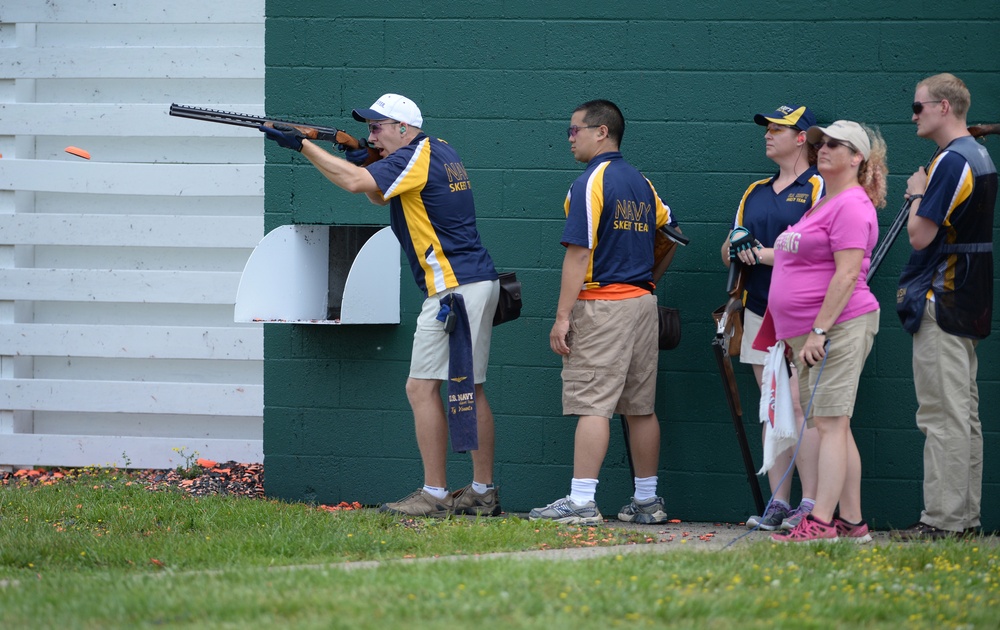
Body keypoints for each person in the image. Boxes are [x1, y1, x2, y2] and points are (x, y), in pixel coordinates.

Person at [260, 93, 502, 518]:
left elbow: (356, 184)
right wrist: (360, 155)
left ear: (404, 130)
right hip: (473, 282)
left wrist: (303, 146)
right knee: (471, 387)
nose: (371, 134)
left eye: (378, 128)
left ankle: (435, 494)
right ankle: (481, 492)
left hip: (452, 289)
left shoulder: (416, 155)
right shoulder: (438, 149)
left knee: (421, 387)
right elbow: (377, 195)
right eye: (369, 128)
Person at [529, 99, 679, 525]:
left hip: (603, 305)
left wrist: (562, 317)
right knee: (640, 407)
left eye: (575, 129)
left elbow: (578, 255)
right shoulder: (642, 183)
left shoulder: (590, 181)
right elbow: (672, 232)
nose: (570, 137)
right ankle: (648, 502)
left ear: (601, 132)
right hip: (642, 304)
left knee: (593, 405)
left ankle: (581, 502)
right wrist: (645, 280)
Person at [768, 120, 887, 543]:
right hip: (807, 334)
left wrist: (819, 330)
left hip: (836, 327)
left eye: (836, 144)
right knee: (835, 423)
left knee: (831, 424)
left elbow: (847, 273)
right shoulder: (822, 203)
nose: (824, 148)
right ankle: (852, 524)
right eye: (820, 142)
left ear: (857, 158)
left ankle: (821, 523)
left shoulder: (853, 205)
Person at [892, 74, 997, 540]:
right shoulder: (975, 155)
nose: (913, 115)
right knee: (962, 416)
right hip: (966, 299)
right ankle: (962, 519)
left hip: (946, 297)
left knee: (942, 417)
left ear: (945, 107)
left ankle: (944, 522)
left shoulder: (953, 162)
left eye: (918, 107)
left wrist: (916, 191)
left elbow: (920, 235)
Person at [719, 104, 823, 532]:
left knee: (801, 408)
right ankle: (779, 503)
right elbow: (728, 254)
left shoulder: (818, 185)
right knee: (773, 406)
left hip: (802, 312)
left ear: (802, 137)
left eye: (779, 128)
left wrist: (761, 254)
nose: (768, 134)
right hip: (759, 309)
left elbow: (819, 248)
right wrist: (737, 246)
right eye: (767, 127)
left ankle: (812, 503)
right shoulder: (755, 190)